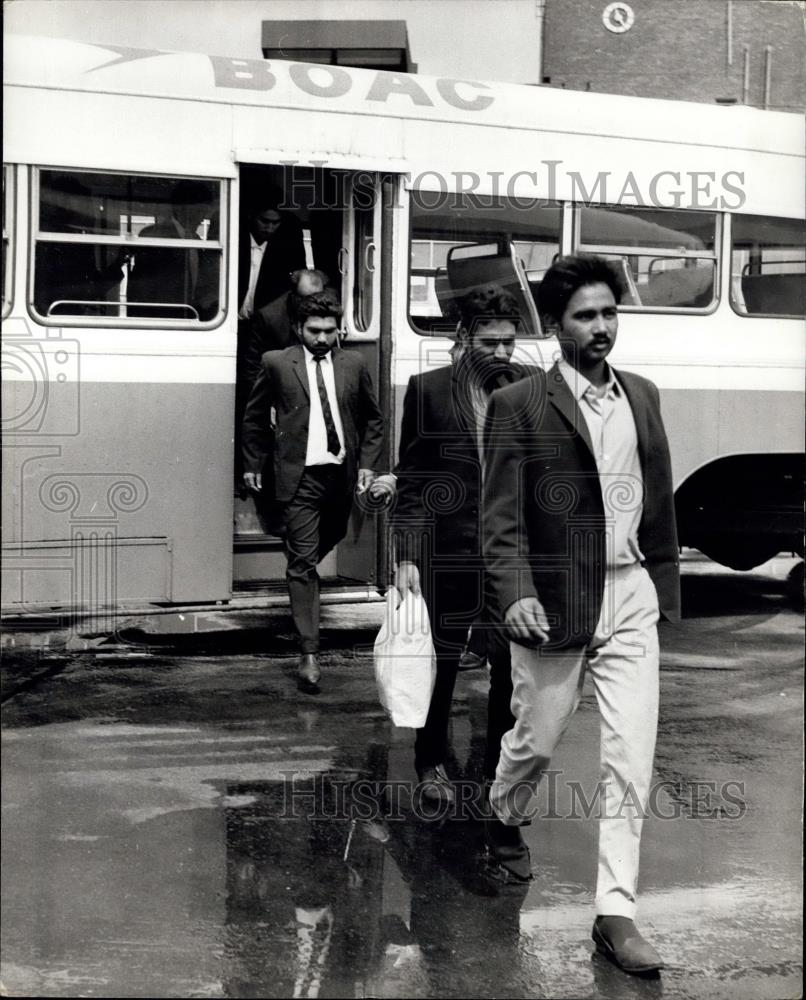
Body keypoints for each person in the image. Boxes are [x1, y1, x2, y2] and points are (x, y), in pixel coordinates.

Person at [482, 255, 680, 974]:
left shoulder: (644, 396)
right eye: (585, 317)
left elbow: (657, 499)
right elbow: (498, 520)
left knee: (630, 757)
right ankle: (503, 813)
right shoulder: (521, 404)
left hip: (630, 595)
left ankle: (616, 913)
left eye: (609, 314)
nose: (602, 329)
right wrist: (516, 593)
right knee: (536, 738)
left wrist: (660, 589)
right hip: (556, 602)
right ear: (556, 327)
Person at [391, 286, 537, 804]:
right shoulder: (428, 390)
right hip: (446, 551)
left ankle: (497, 768)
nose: (501, 352)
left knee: (509, 665)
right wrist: (406, 554)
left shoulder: (530, 387)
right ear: (463, 336)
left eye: (509, 342)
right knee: (442, 661)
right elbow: (412, 477)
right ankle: (429, 760)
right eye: (490, 341)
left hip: (508, 557)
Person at [241, 288, 384, 694]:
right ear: (298, 328)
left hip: (341, 476)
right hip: (299, 477)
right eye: (314, 330)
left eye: (329, 331)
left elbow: (374, 418)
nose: (322, 339)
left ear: (339, 331)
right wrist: (252, 464)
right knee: (304, 562)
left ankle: (298, 572)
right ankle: (309, 652)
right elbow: (253, 418)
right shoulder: (276, 363)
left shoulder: (354, 364)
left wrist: (369, 465)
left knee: (333, 536)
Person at [126, 179, 215, 319]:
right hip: (161, 320)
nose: (203, 217)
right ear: (180, 207)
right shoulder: (154, 235)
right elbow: (141, 289)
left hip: (191, 318)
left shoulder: (197, 241)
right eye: (198, 210)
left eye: (205, 211)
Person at [244, 269, 330, 386]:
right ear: (293, 295)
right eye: (306, 299)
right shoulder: (269, 317)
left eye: (317, 298)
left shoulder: (328, 309)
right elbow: (253, 367)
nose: (313, 305)